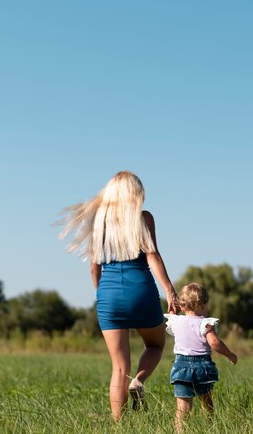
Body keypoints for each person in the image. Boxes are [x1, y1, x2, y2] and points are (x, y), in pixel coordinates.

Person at [58, 171, 177, 420]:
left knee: (118, 367)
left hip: (109, 294)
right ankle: (139, 381)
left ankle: (118, 427)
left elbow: (94, 266)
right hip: (141, 290)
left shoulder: (99, 222)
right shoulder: (143, 218)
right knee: (155, 345)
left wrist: (103, 295)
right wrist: (169, 288)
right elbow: (152, 256)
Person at [165, 282, 237, 434]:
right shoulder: (205, 323)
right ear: (202, 305)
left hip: (181, 367)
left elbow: (173, 317)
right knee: (206, 402)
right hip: (202, 367)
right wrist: (230, 354)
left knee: (182, 407)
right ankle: (210, 428)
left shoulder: (175, 321)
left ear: (182, 306)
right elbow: (214, 342)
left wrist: (174, 310)